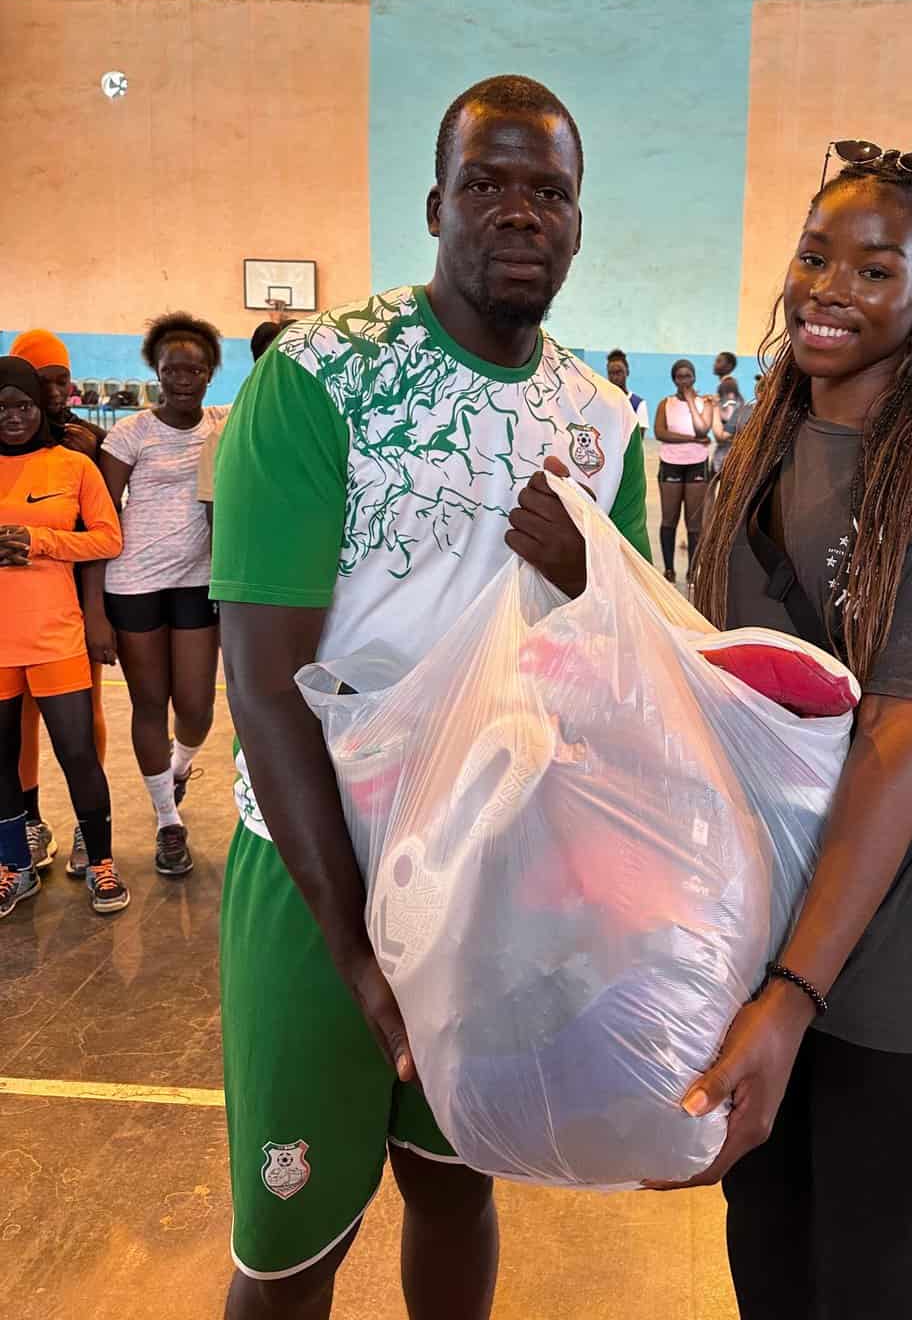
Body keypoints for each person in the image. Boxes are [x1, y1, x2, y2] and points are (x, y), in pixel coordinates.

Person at [211, 73, 651, 1319]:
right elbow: (262, 681)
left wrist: (592, 576)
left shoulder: (599, 418)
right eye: (487, 184)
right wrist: (352, 942)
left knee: (457, 1186)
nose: (520, 212)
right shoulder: (318, 379)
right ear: (434, 204)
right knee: (290, 1247)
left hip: (491, 874)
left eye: (549, 191)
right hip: (315, 873)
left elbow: (626, 668)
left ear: (578, 219)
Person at [670, 143, 912, 1319]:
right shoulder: (754, 445)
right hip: (765, 915)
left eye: (875, 268)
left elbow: (895, 739)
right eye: (814, 254)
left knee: (866, 1279)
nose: (828, 286)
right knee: (766, 1251)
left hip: (911, 943)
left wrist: (789, 995)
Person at [92, 313, 227, 878]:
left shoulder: (223, 425)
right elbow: (96, 523)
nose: (183, 379)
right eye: (172, 369)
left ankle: (178, 766)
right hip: (134, 585)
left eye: (195, 369)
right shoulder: (130, 435)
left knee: (196, 708)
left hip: (199, 582)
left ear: (211, 373)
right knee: (151, 704)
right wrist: (95, 611)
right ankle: (167, 821)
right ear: (156, 371)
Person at [0, 357, 129, 918]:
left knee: (77, 753)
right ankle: (14, 867)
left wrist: (41, 541)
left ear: (40, 407)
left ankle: (100, 860)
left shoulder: (72, 466)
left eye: (22, 406)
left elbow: (108, 539)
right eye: (1, 408)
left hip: (55, 636)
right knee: (1, 760)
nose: (12, 418)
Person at [9, 329, 110, 875]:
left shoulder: (85, 445)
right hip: (16, 614)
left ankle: (87, 825)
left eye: (60, 378)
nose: (52, 391)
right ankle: (29, 819)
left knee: (83, 717)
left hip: (73, 608)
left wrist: (96, 612)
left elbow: (105, 539)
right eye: (38, 380)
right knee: (18, 722)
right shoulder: (12, 441)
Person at [196, 319, 286, 514]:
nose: (287, 373)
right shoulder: (226, 435)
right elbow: (218, 520)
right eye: (276, 363)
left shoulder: (335, 431)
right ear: (259, 367)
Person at [654, 360, 712, 583]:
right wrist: (692, 439)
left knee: (694, 523)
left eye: (688, 376)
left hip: (697, 463)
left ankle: (692, 570)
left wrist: (690, 401)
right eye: (679, 377)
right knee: (669, 519)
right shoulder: (665, 404)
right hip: (670, 463)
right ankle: (669, 569)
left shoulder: (704, 403)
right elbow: (660, 432)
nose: (684, 380)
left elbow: (703, 429)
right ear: (674, 379)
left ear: (694, 378)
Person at [711, 376, 751, 476]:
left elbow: (720, 436)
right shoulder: (742, 406)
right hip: (725, 456)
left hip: (733, 456)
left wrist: (715, 408)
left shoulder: (738, 408)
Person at [605, 348, 650, 434]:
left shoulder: (638, 404)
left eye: (619, 372)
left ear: (627, 372)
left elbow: (639, 437)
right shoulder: (602, 402)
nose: (615, 377)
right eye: (611, 373)